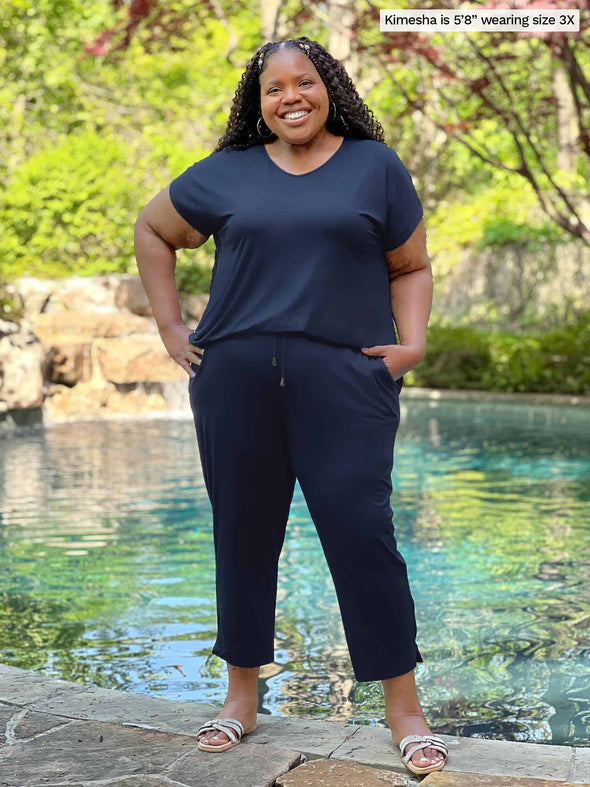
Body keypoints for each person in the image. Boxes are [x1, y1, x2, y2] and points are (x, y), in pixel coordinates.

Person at [134, 35, 447, 777]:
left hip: (343, 378)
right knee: (243, 532)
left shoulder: (375, 166)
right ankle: (241, 699)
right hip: (235, 376)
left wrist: (413, 343)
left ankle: (404, 709)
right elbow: (153, 229)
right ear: (260, 103)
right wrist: (173, 329)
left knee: (362, 532)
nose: (291, 97)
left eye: (303, 82)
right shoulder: (228, 173)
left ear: (328, 87)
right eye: (274, 89)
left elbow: (412, 263)